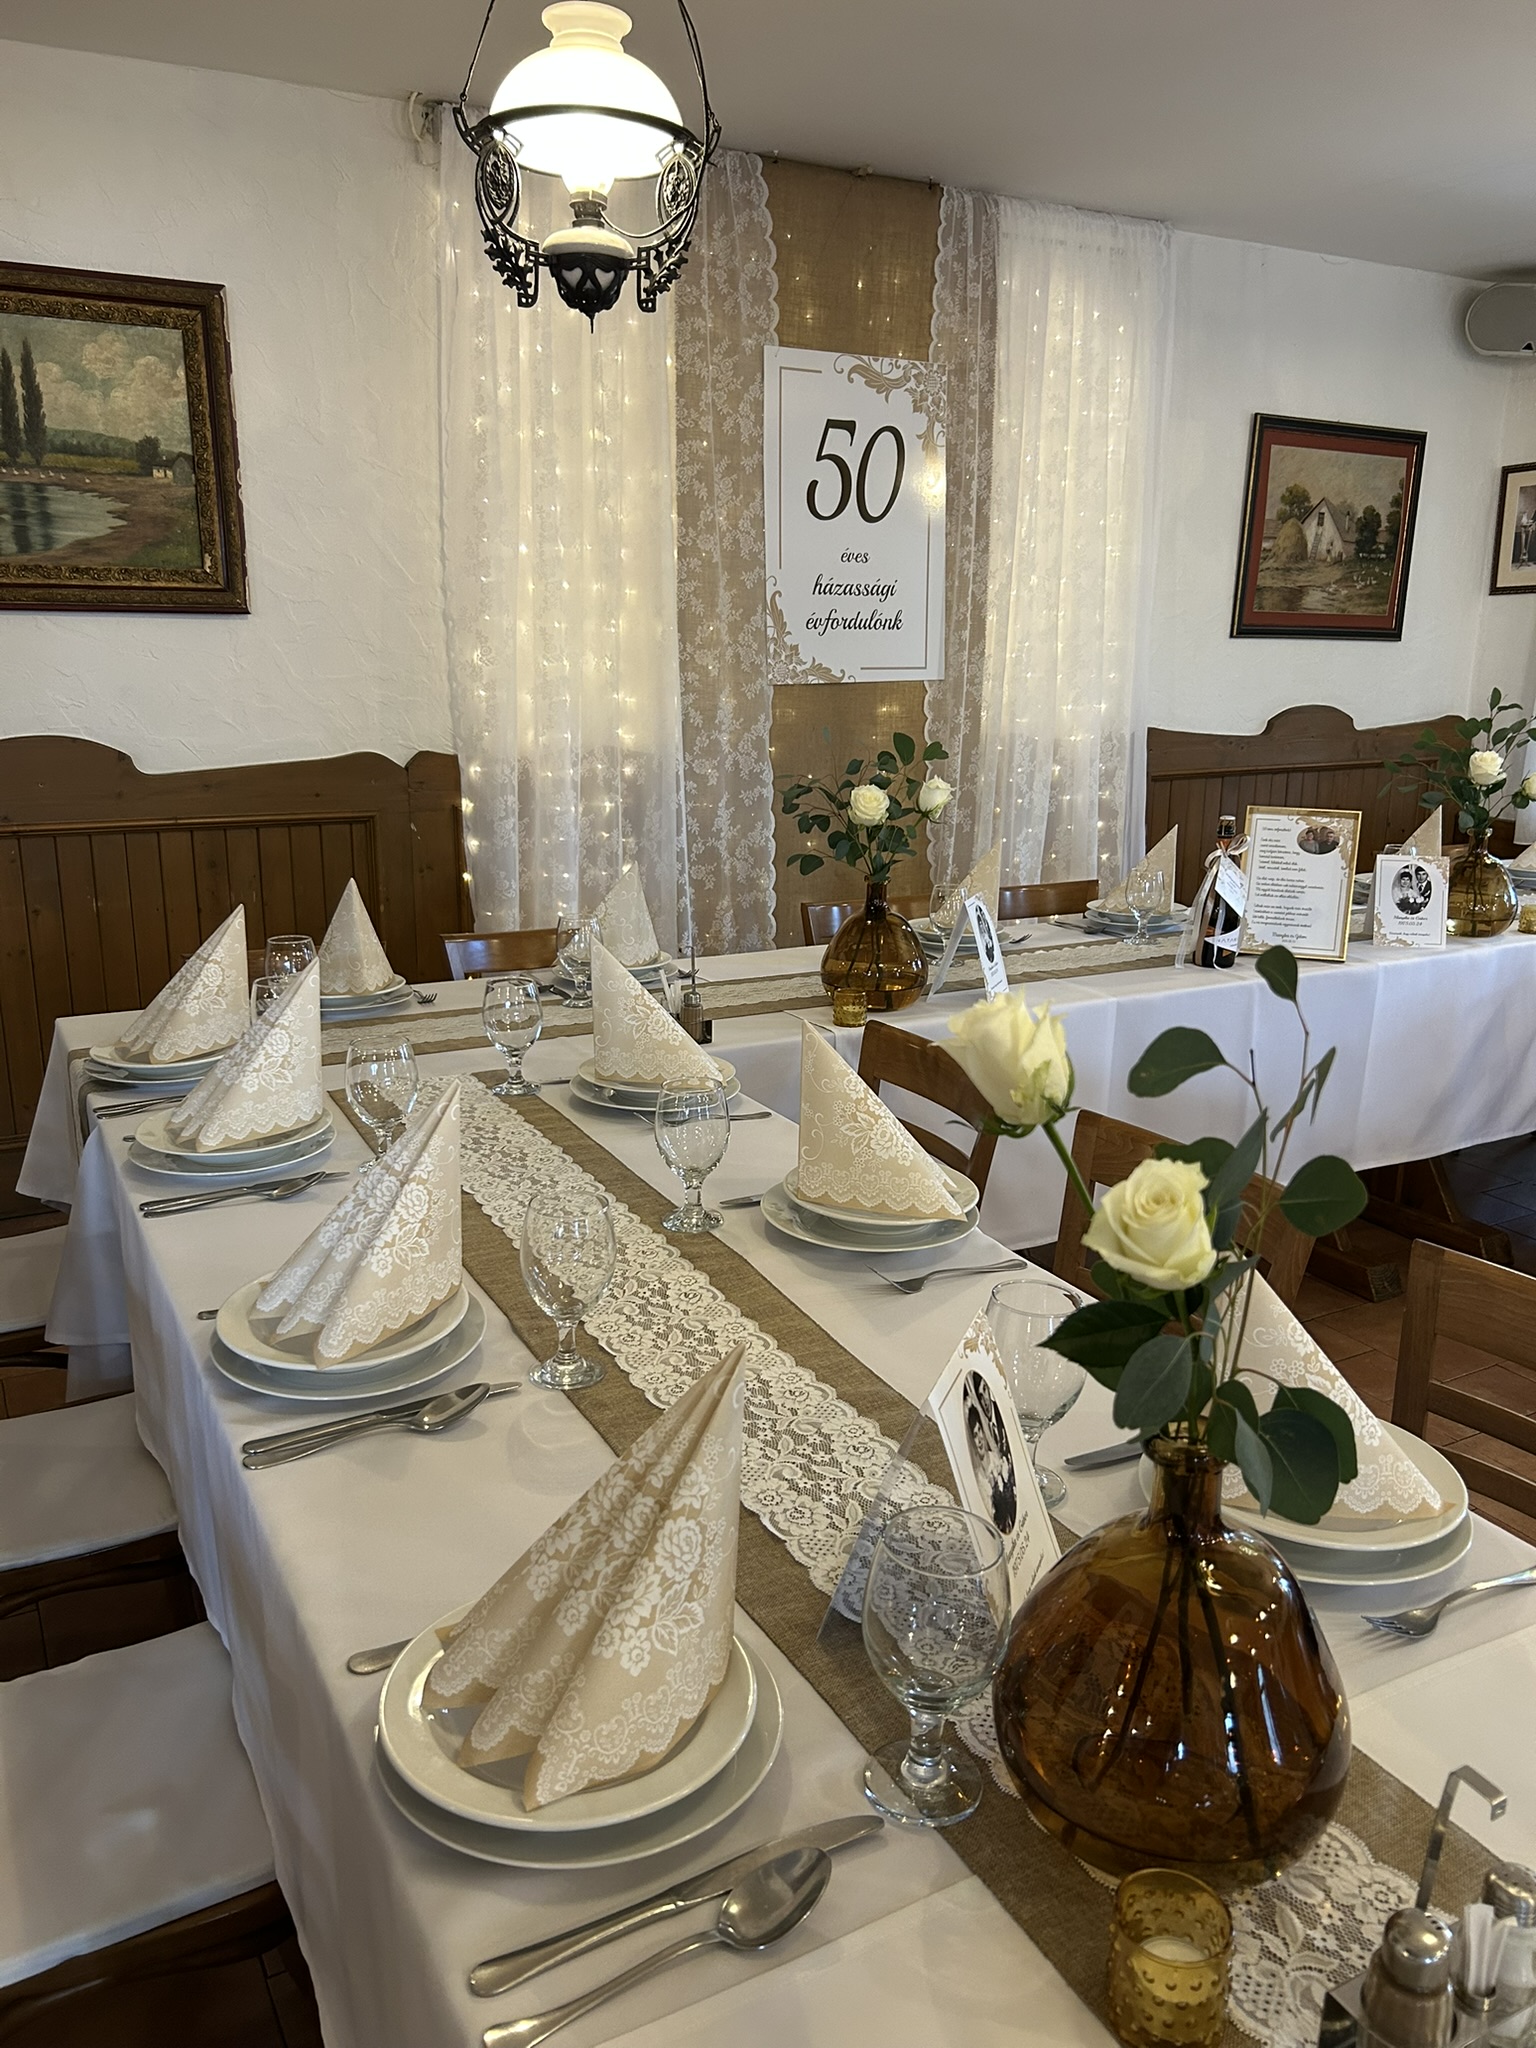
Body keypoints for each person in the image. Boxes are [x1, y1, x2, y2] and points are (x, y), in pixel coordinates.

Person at [963, 1372, 1018, 1536]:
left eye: (985, 1392)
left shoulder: (1003, 1415)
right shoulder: (980, 1474)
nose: (979, 1439)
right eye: (975, 1434)